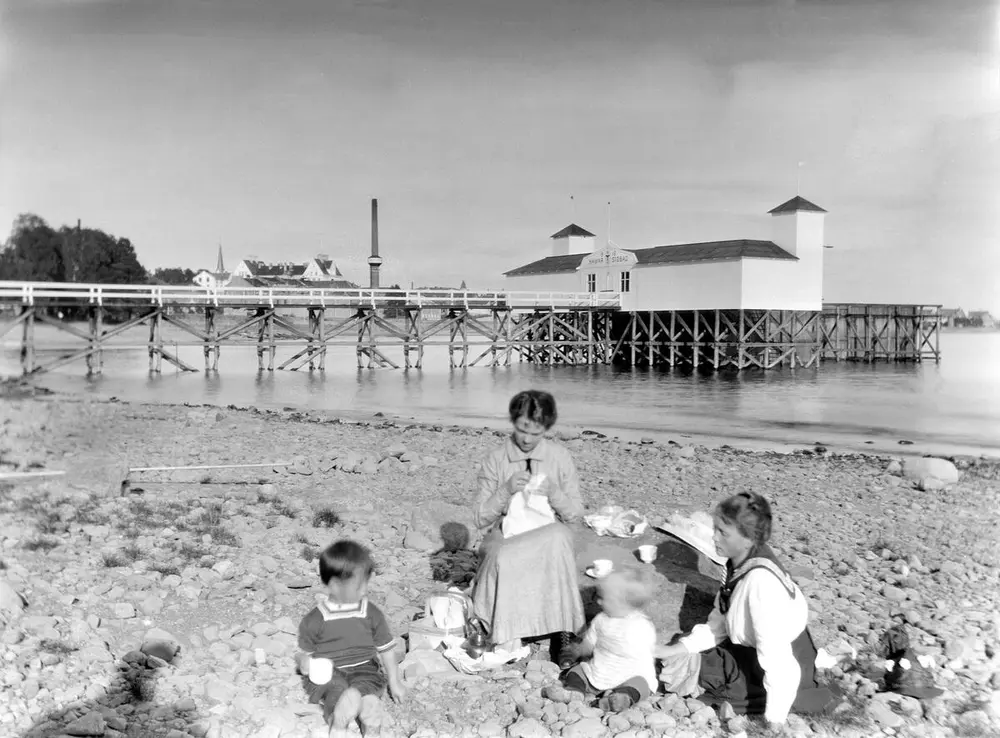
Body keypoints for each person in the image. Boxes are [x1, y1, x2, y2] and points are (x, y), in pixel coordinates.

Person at [655, 492, 833, 726]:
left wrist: (774, 723)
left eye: (723, 533)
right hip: (755, 647)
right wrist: (676, 649)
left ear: (748, 539)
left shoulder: (761, 584)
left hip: (782, 659)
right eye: (715, 529)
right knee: (678, 658)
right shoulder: (739, 564)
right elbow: (718, 622)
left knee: (696, 676)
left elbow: (780, 663)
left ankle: (758, 699)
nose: (714, 538)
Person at [471, 389, 585, 664]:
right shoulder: (496, 459)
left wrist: (555, 492)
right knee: (504, 555)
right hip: (505, 533)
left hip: (548, 533)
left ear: (546, 429)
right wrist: (505, 490)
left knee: (558, 536)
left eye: (535, 433)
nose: (526, 439)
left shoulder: (559, 458)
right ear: (513, 422)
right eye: (522, 429)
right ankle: (509, 629)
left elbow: (575, 515)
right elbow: (480, 518)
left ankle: (563, 630)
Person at [297, 540, 406, 738]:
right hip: (332, 671)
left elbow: (386, 648)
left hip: (365, 666)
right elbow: (306, 655)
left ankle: (366, 714)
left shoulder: (370, 613)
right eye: (359, 585)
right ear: (334, 585)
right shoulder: (316, 619)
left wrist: (394, 680)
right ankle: (340, 719)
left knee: (366, 683)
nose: (364, 590)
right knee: (335, 690)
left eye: (365, 583)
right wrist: (305, 663)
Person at [544, 567, 657, 712]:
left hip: (617, 674)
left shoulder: (632, 624)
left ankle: (614, 696)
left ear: (621, 602)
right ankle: (584, 692)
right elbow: (589, 644)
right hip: (615, 673)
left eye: (603, 598)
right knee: (579, 671)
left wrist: (575, 650)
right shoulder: (609, 620)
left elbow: (588, 646)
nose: (598, 601)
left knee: (641, 683)